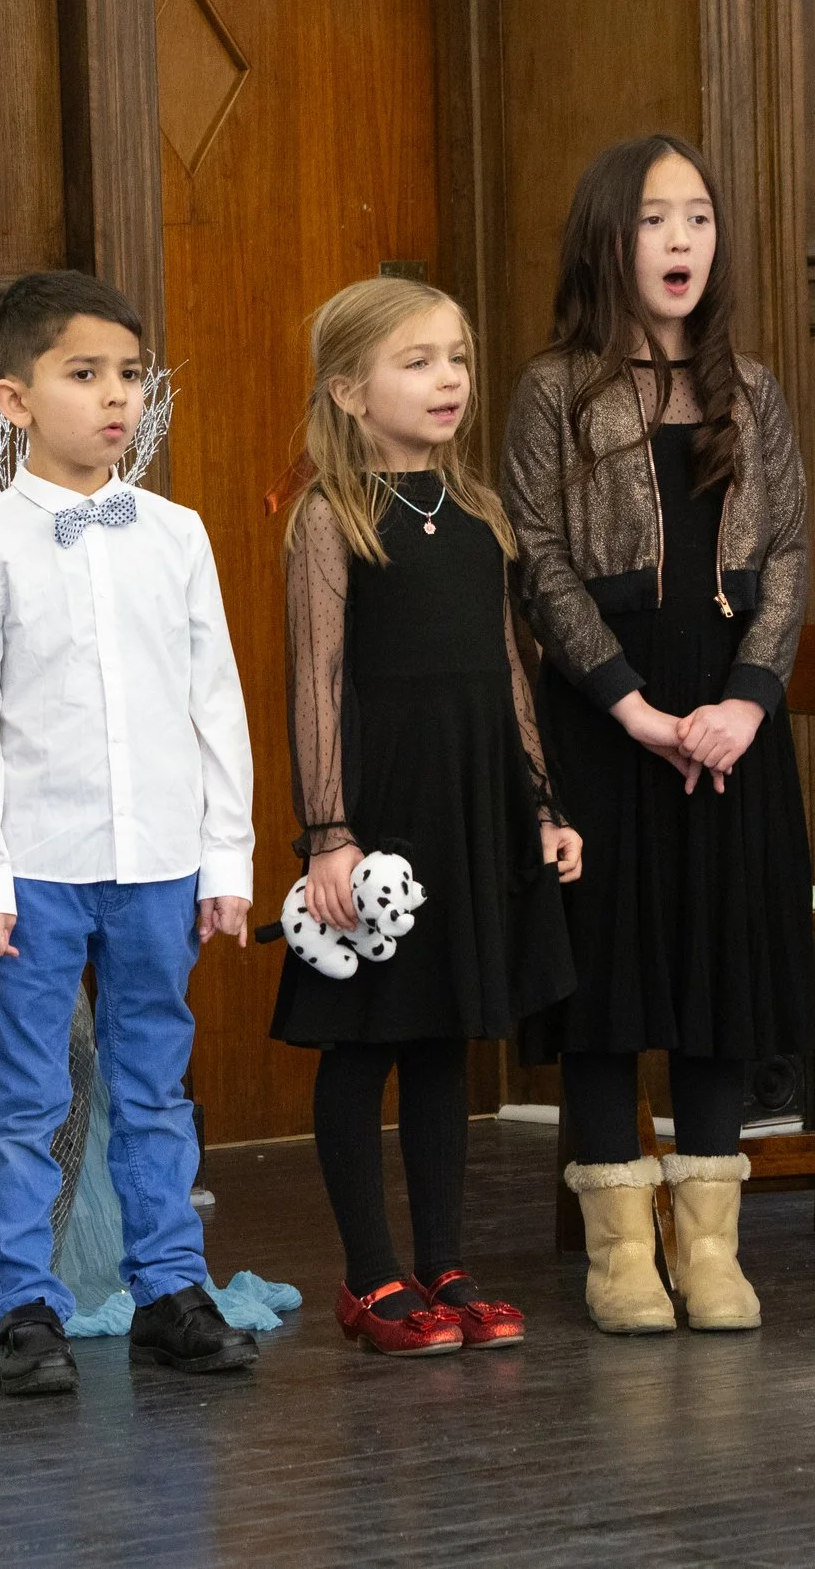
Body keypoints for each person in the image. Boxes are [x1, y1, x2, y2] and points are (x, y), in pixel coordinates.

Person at [504, 135, 813, 1336]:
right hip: (607, 720)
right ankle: (621, 1253)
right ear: (604, 240)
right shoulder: (551, 390)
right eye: (653, 219)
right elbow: (540, 561)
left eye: (697, 217)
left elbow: (784, 554)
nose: (682, 239)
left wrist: (743, 701)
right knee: (612, 987)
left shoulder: (754, 388)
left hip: (730, 721)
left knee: (714, 976)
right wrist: (632, 706)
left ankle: (711, 1247)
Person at [0, 269, 261, 1396]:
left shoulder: (175, 534)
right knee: (28, 1089)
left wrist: (228, 858)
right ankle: (22, 1303)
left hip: (160, 860)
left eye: (130, 374)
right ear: (14, 400)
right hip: (38, 866)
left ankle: (170, 1283)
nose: (115, 396)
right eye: (85, 374)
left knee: (156, 1082)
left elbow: (212, 697)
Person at [272, 278, 581, 1358]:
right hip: (380, 815)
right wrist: (328, 831)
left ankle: (445, 1259)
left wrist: (539, 803)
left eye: (455, 356)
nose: (448, 377)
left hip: (472, 802)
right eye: (417, 361)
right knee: (365, 1042)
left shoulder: (481, 512)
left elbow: (506, 668)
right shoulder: (330, 516)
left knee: (446, 1035)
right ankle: (368, 1273)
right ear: (350, 390)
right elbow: (315, 679)